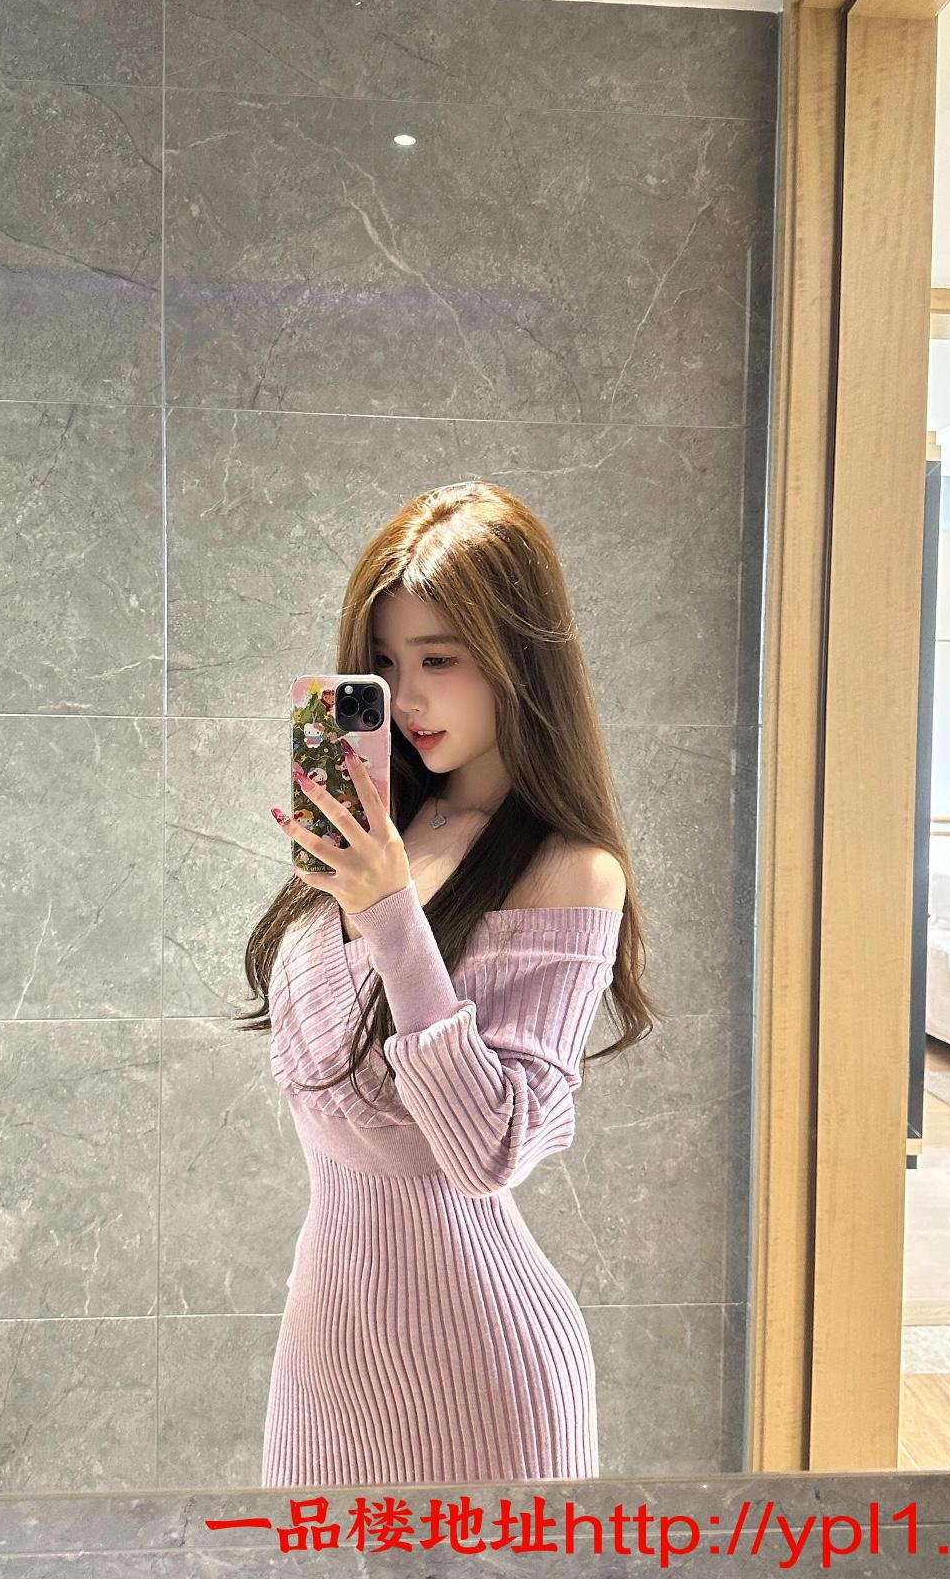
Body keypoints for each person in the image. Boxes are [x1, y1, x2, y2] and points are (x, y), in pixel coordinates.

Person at [236, 479, 658, 1489]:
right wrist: (364, 883)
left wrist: (389, 912)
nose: (407, 696)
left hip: (483, 1368)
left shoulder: (571, 869)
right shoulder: (387, 835)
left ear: (520, 659)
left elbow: (489, 1152)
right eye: (383, 663)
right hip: (326, 1353)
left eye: (439, 659)